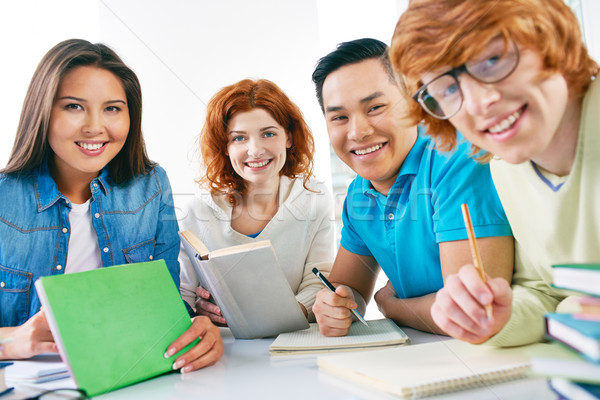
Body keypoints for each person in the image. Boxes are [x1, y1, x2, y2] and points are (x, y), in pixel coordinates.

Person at [0, 39, 223, 371]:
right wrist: (10, 341)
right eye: (74, 106)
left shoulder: (151, 186)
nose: (95, 126)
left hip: (131, 379)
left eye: (113, 108)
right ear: (42, 111)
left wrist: (195, 331)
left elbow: (167, 307)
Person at [390, 0, 599, 346]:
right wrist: (494, 317)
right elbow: (545, 291)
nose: (477, 103)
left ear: (548, 36)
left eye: (491, 60)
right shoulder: (505, 167)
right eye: (448, 89)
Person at [310, 38, 514, 336]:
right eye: (339, 117)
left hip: (492, 359)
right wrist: (333, 305)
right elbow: (347, 289)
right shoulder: (358, 194)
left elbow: (471, 315)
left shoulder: (458, 161)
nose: (358, 132)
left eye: (376, 107)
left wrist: (392, 306)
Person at [179, 79, 335, 323]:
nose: (255, 150)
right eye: (239, 138)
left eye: (268, 133)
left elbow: (320, 281)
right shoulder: (196, 212)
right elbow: (183, 296)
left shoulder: (314, 198)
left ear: (289, 138)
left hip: (293, 340)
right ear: (225, 147)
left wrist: (277, 317)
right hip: (224, 348)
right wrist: (196, 314)